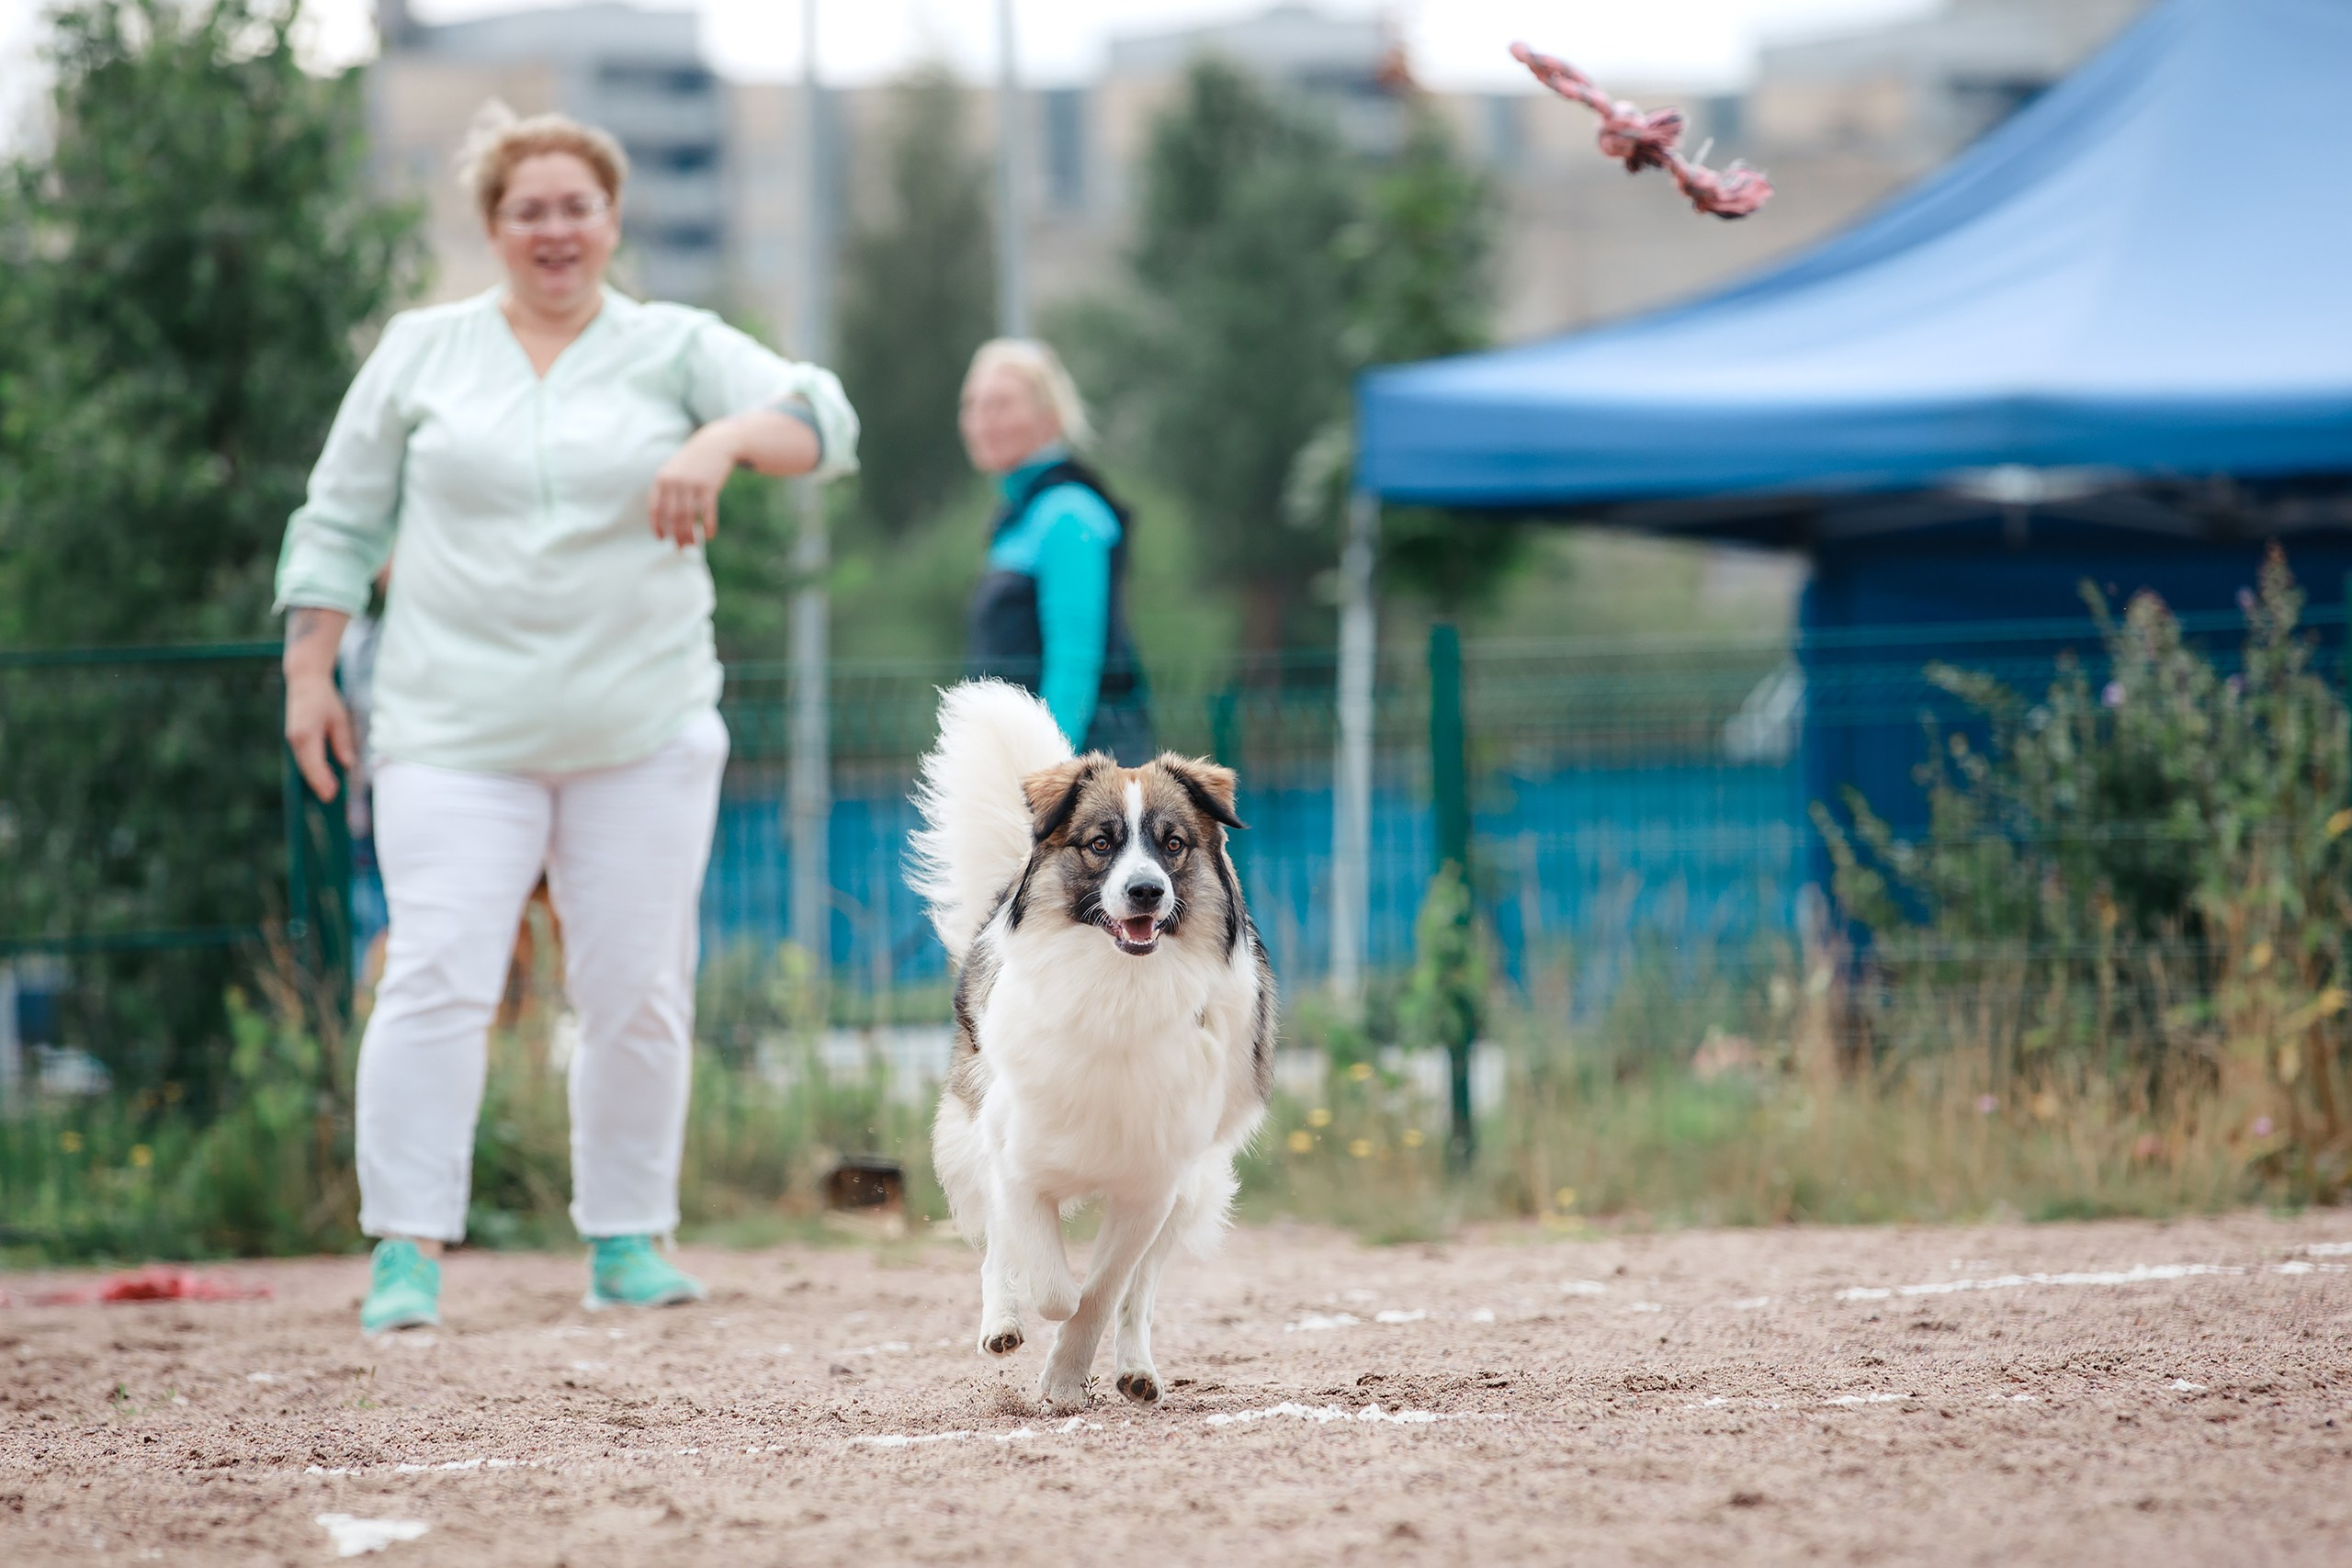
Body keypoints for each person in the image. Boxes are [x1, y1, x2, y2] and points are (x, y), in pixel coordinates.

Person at [276, 107, 858, 1335]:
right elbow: (339, 516)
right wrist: (309, 671)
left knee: (636, 986)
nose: (555, 230)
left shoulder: (674, 345)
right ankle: (407, 1246)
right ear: (492, 227)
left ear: (612, 219)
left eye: (576, 206)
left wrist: (719, 437)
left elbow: (820, 421)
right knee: (436, 973)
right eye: (528, 209)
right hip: (452, 729)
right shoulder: (422, 352)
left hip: (639, 725)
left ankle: (628, 1238)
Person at [957, 339, 1151, 762]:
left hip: (1080, 771)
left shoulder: (1068, 513)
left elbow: (1074, 668)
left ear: (1051, 417)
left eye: (1001, 404)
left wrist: (1042, 782)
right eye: (972, 405)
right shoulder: (1019, 518)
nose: (981, 420)